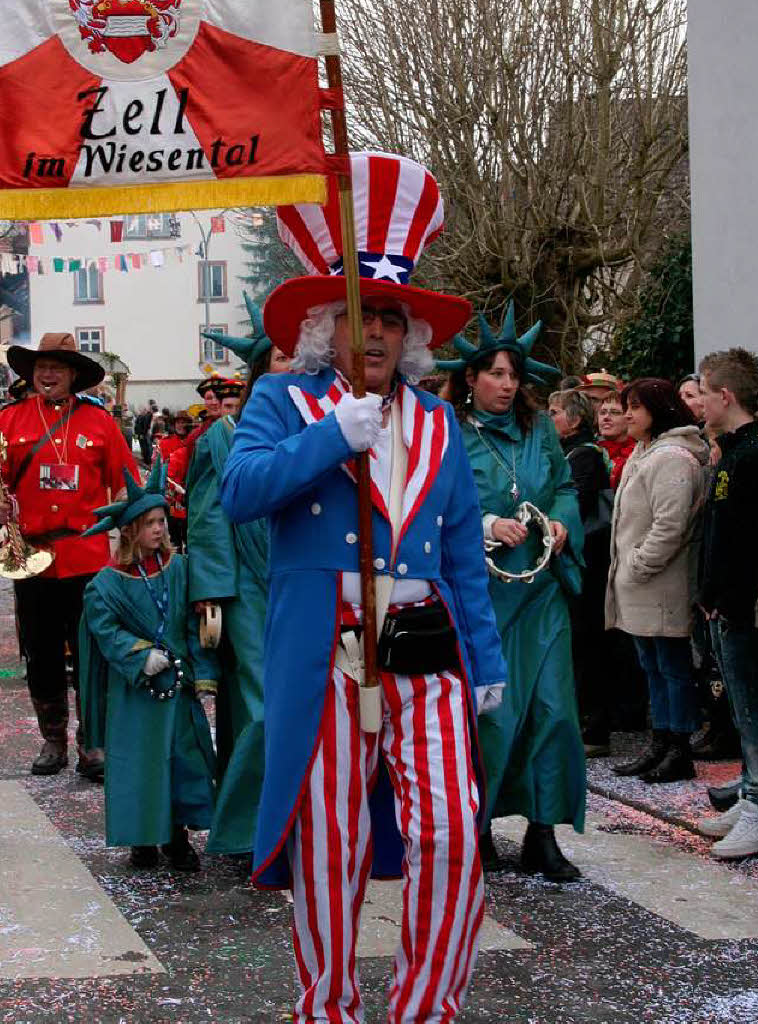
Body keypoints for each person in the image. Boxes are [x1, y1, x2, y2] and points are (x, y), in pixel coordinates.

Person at [221, 151, 506, 1023]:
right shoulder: (282, 401)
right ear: (325, 329)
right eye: (358, 315)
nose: (376, 331)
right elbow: (238, 495)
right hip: (329, 658)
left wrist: (485, 658)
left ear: (410, 334)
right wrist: (329, 439)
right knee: (332, 846)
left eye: (389, 316)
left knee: (454, 835)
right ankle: (328, 1006)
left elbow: (460, 548)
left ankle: (424, 1007)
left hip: (427, 657)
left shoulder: (437, 418)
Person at [442, 317, 586, 882]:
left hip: (542, 592)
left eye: (514, 375)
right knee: (491, 717)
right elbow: (435, 502)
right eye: (496, 374)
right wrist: (487, 522)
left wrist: (560, 522)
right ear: (470, 377)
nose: (507, 384)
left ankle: (543, 832)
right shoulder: (451, 431)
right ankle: (476, 828)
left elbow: (566, 488)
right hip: (482, 599)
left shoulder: (540, 432)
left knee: (554, 710)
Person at [0, 333, 138, 780]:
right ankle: (53, 739)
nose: (48, 374)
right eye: (41, 367)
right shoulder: (11, 420)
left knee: (91, 652)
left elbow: (128, 485)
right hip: (32, 555)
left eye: (57, 367)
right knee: (40, 652)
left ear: (74, 375)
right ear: (30, 373)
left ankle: (91, 742)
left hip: (87, 555)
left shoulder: (100, 424)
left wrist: (135, 538)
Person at [187, 301, 289, 857]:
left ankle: (295, 819)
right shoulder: (222, 438)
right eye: (279, 356)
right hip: (248, 586)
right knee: (259, 707)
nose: (291, 363)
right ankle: (249, 831)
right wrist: (211, 593)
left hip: (301, 584)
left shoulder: (315, 426)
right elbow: (207, 517)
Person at [79, 461, 217, 871]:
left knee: (182, 759)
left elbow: (194, 622)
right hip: (135, 692)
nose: (160, 529)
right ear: (130, 530)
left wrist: (203, 671)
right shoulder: (106, 583)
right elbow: (104, 631)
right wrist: (140, 655)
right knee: (139, 763)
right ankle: (141, 839)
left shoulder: (178, 569)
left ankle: (177, 837)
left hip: (178, 689)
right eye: (151, 523)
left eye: (162, 521)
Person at [606, 379, 707, 783]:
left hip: (661, 583)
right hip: (640, 585)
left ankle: (678, 746)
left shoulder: (673, 458)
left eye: (635, 406)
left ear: (658, 409)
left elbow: (670, 524)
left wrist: (638, 564)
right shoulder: (645, 452)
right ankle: (660, 742)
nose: (627, 414)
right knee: (653, 666)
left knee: (672, 667)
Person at [694, 349, 758, 857]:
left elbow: (750, 540)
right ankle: (752, 791)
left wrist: (729, 598)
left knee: (752, 708)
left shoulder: (753, 458)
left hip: (740, 607)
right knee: (744, 709)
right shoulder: (732, 452)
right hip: (723, 603)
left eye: (703, 389)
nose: (696, 400)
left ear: (726, 395)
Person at [548, 389, 613, 758]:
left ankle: (594, 725)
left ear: (574, 420)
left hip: (588, 561)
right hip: (581, 560)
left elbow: (578, 503)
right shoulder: (569, 454)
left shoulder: (583, 455)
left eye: (555, 412)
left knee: (587, 644)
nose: (550, 417)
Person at [156, 411, 193, 551]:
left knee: (189, 535)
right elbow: (158, 467)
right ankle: (177, 564)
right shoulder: (166, 442)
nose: (180, 425)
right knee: (174, 536)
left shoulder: (195, 441)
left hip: (190, 494)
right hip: (172, 496)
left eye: (183, 422)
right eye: (178, 422)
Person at [597, 389, 636, 489]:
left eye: (615, 412)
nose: (606, 417)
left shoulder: (640, 452)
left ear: (629, 417)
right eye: (602, 412)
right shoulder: (592, 451)